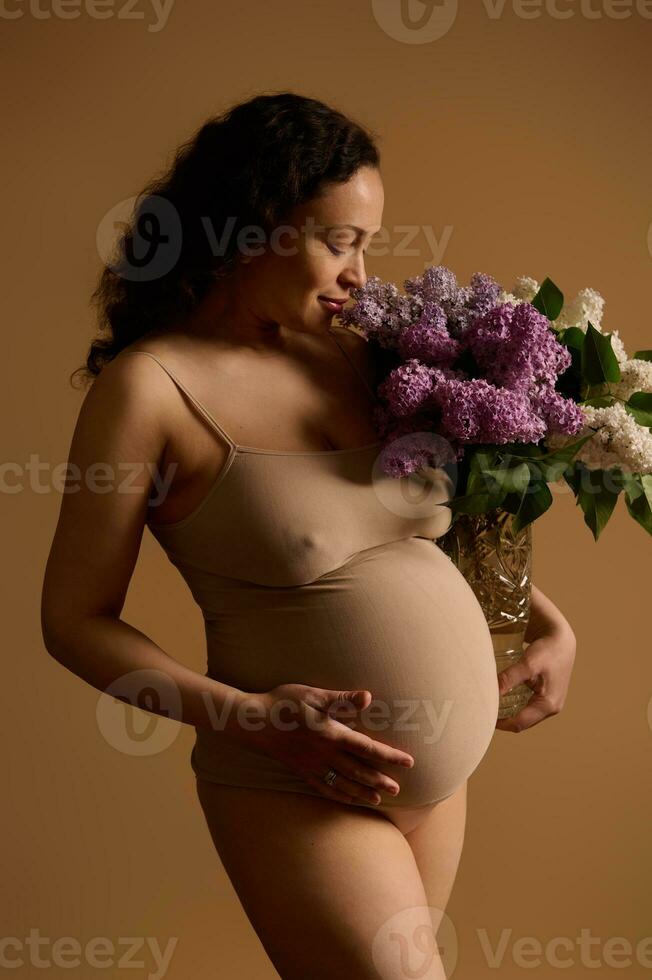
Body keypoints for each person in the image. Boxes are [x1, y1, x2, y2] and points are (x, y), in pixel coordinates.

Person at [41, 92, 577, 980]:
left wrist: (547, 621)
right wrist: (252, 719)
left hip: (435, 778)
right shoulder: (149, 392)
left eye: (368, 243)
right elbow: (73, 619)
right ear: (249, 230)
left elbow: (435, 528)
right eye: (340, 242)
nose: (363, 275)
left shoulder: (358, 351)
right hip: (294, 778)